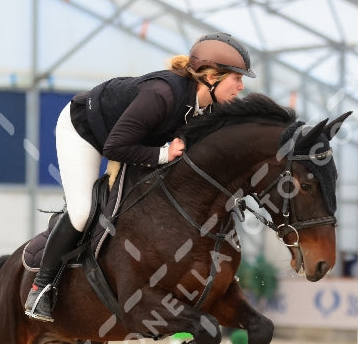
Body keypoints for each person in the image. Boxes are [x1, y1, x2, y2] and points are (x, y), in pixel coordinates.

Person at [25, 32, 255, 322]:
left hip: (137, 141)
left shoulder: (211, 107)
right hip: (87, 131)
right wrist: (164, 155)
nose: (241, 86)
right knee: (83, 211)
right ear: (211, 77)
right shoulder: (163, 95)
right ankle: (42, 287)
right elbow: (115, 148)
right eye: (237, 78)